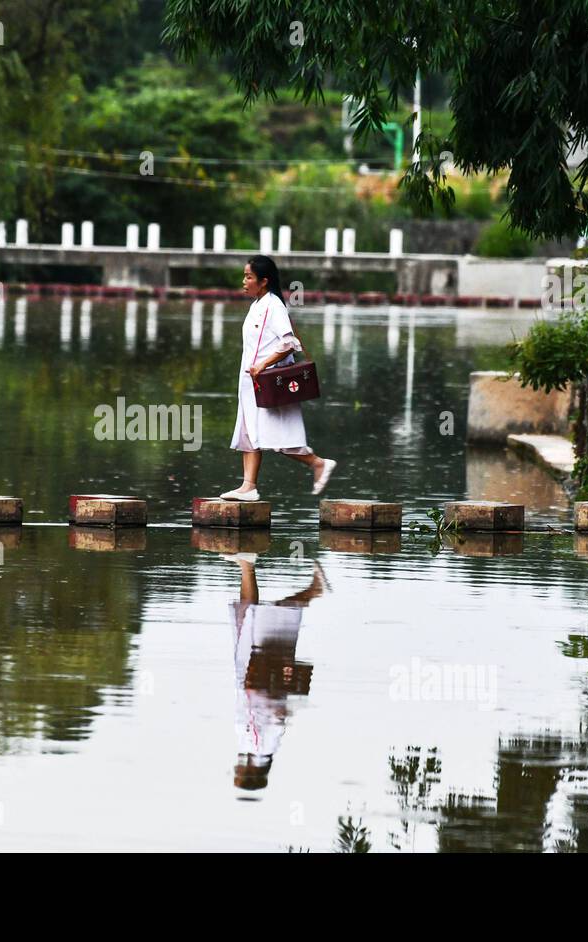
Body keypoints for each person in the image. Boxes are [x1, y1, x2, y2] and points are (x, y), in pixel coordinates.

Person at [221, 255, 336, 501]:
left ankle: (317, 463)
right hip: (252, 383)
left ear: (263, 281)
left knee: (278, 438)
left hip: (268, 383)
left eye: (248, 277)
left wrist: (262, 365)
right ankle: (248, 486)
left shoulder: (273, 306)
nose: (244, 281)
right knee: (249, 433)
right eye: (244, 276)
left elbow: (289, 342)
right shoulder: (257, 305)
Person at [229, 557, 327, 790]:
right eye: (238, 775)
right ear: (249, 774)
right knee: (262, 617)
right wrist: (257, 690)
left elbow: (276, 716)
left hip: (256, 675)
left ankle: (247, 564)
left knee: (249, 614)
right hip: (259, 675)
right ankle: (313, 591)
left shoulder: (263, 748)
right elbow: (273, 715)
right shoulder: (259, 747)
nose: (235, 769)